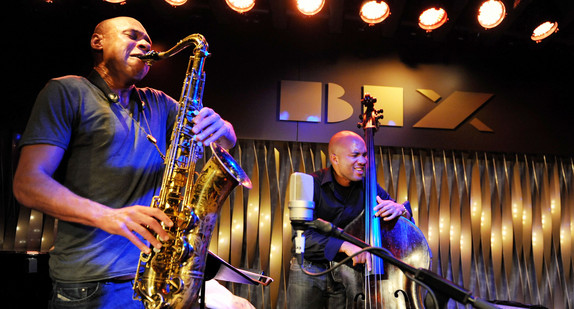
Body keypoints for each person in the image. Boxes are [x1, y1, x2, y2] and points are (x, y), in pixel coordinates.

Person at [13, 16, 253, 309]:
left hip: (156, 278)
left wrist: (224, 129)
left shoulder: (158, 102)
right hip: (92, 286)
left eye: (148, 43)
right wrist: (110, 216)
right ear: (97, 41)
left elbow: (224, 140)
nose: (143, 45)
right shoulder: (67, 92)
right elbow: (28, 183)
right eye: (132, 36)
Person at [286, 130, 413, 309]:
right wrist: (345, 246)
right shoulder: (312, 183)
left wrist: (401, 210)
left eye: (364, 155)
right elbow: (302, 238)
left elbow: (401, 227)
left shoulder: (370, 187)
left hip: (348, 274)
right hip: (310, 270)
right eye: (355, 155)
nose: (363, 161)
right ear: (335, 158)